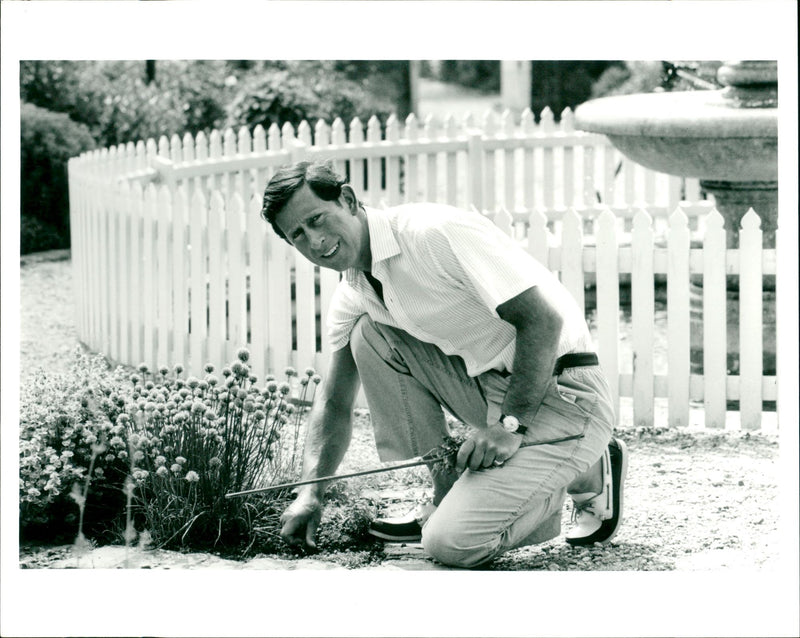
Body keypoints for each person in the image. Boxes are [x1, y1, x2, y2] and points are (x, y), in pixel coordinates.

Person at [261, 159, 628, 569]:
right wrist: (310, 492)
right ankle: (449, 491)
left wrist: (511, 427)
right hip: (492, 392)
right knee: (368, 335)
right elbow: (334, 401)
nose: (314, 239)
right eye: (298, 234)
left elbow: (543, 320)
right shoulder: (354, 291)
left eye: (317, 218)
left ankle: (581, 470)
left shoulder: (432, 232)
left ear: (347, 199)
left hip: (563, 392)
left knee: (449, 544)